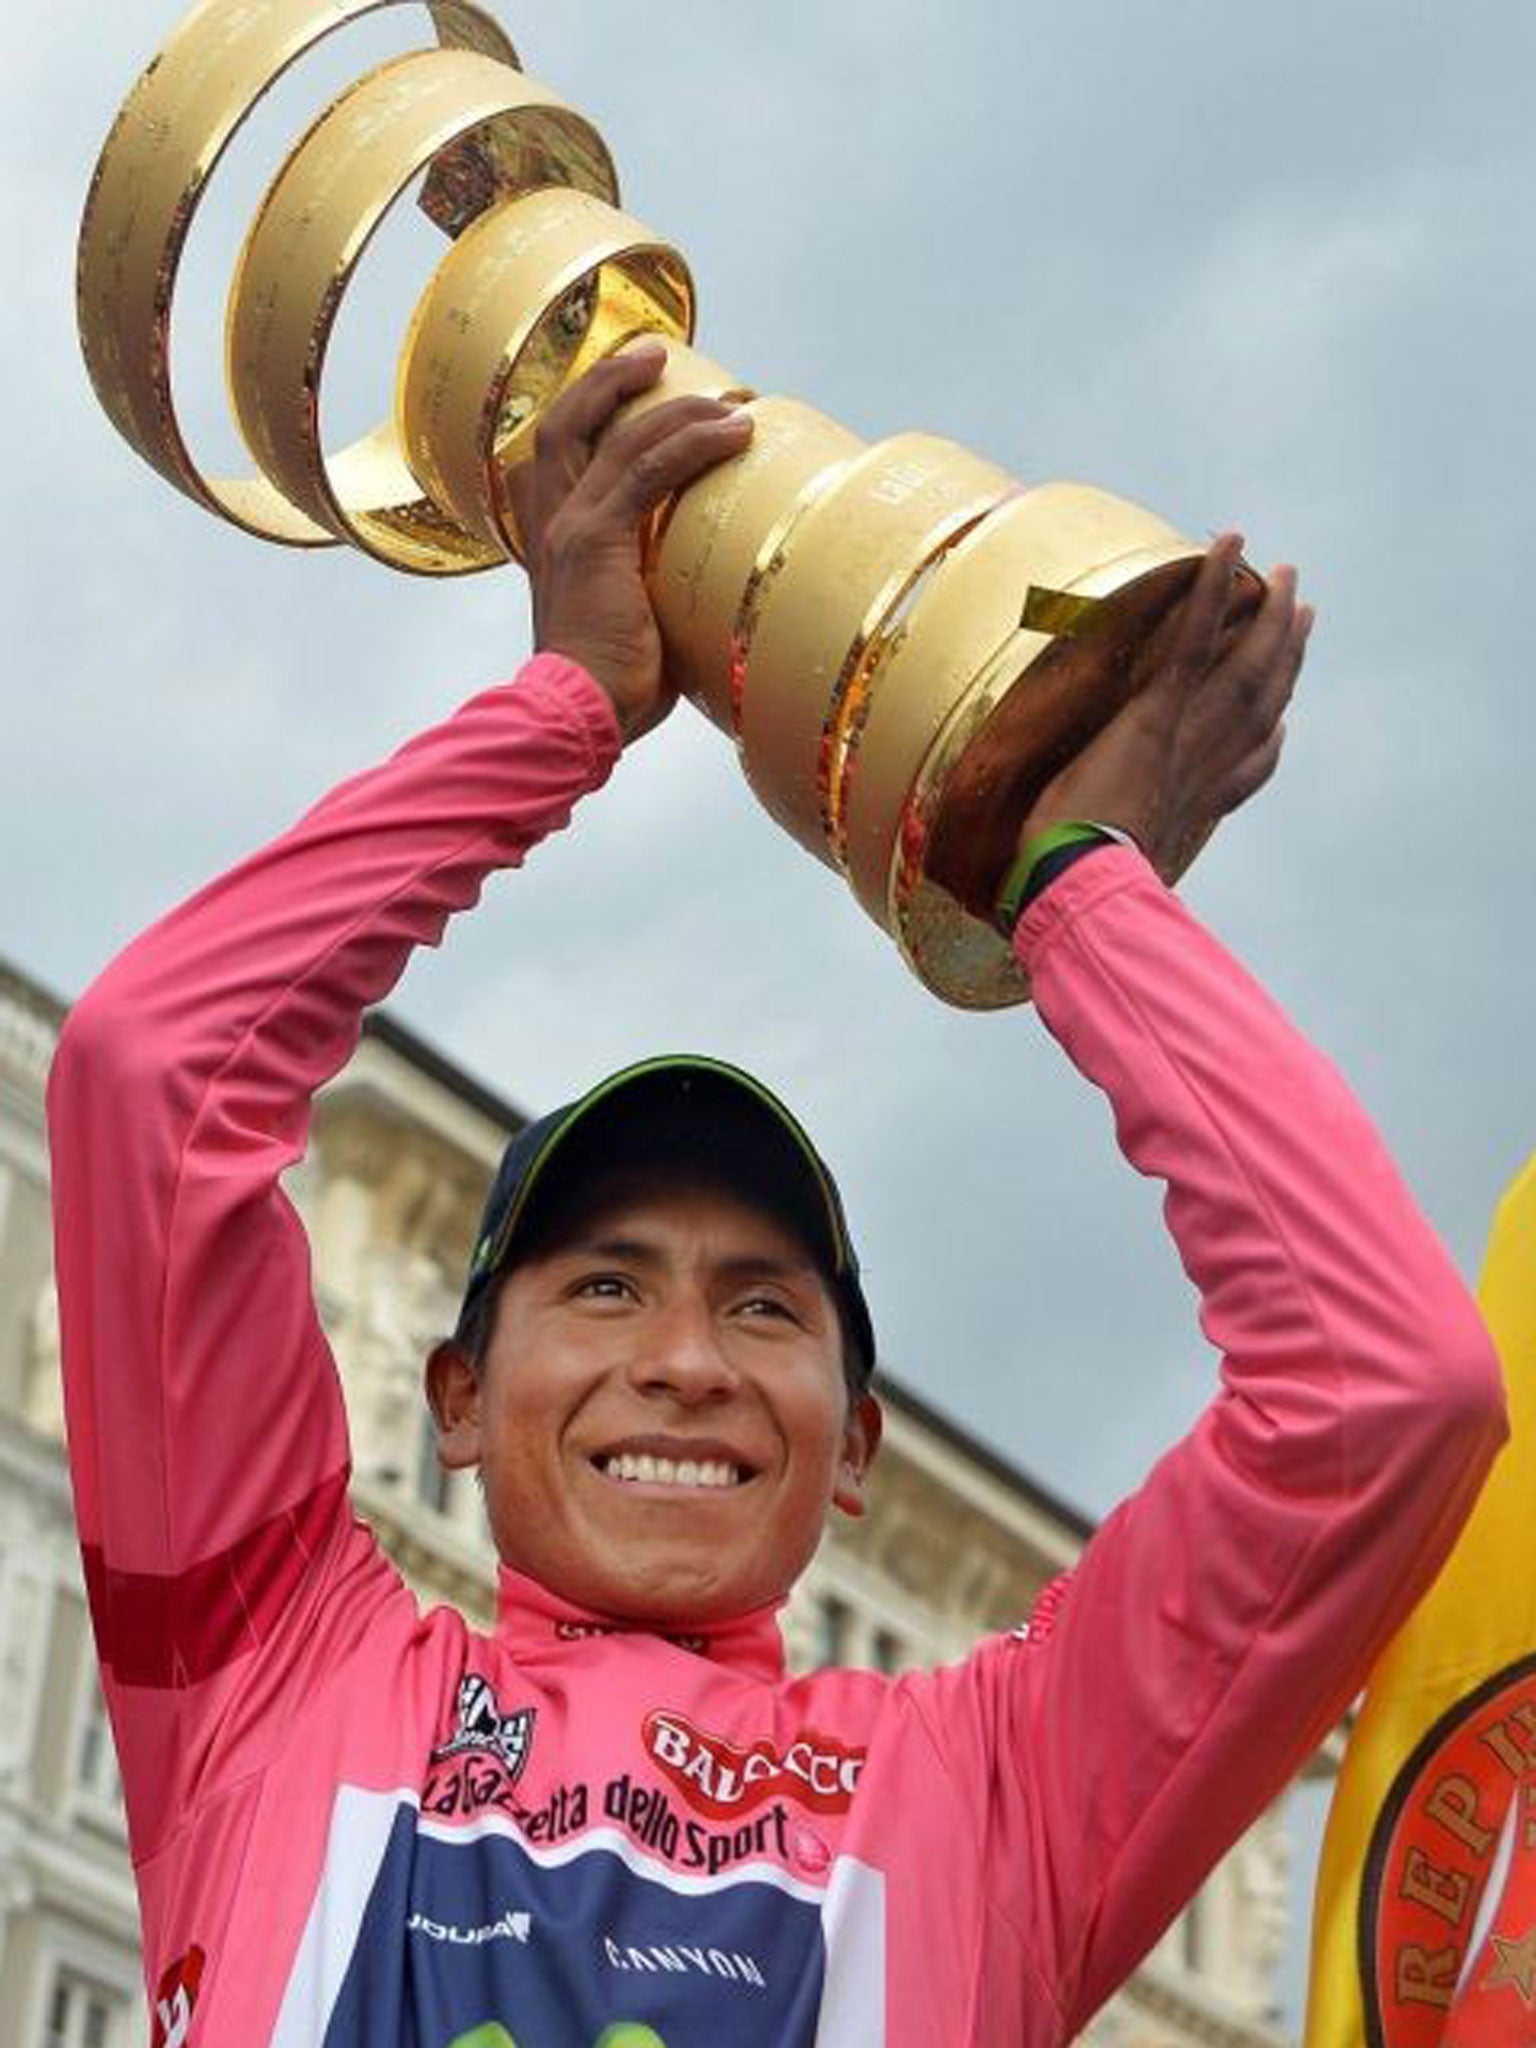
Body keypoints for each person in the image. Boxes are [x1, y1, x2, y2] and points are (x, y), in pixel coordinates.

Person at [47, 342, 1507, 2048]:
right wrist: (566, 709)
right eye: (603, 1286)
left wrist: (1077, 896)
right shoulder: (269, 1670)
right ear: (453, 1398)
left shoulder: (994, 1793)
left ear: (859, 1444)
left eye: (763, 1303)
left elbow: (1390, 1392)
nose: (687, 1359)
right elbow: (156, 1073)